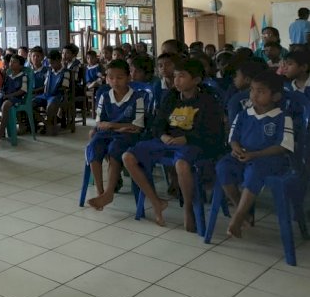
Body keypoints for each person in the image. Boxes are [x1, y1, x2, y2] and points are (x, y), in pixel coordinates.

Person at [123, 59, 224, 231]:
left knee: (182, 165)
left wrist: (187, 139)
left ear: (196, 80)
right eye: (175, 76)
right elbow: (158, 122)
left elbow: (213, 132)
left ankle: (188, 208)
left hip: (192, 143)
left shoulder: (208, 101)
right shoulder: (171, 96)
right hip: (167, 141)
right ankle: (155, 201)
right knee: (128, 156)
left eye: (182, 76)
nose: (176, 80)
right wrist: (162, 135)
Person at [216, 71, 293, 238]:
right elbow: (233, 137)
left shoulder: (282, 117)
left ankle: (237, 219)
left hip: (270, 158)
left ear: (275, 96)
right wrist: (236, 147)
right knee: (223, 166)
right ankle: (242, 210)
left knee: (255, 171)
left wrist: (255, 154)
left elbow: (283, 147)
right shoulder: (244, 114)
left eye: (261, 91)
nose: (254, 95)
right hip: (244, 155)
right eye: (252, 90)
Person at [86, 60, 147, 211]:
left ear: (128, 78)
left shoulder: (137, 97)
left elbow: (137, 126)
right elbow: (100, 122)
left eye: (119, 77)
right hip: (107, 133)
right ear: (106, 78)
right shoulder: (105, 96)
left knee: (115, 149)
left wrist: (113, 125)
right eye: (110, 77)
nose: (115, 81)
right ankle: (100, 192)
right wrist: (120, 127)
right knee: (93, 146)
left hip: (126, 137)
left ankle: (109, 193)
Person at [0, 55, 28, 139]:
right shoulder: (8, 75)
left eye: (14, 62)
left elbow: (22, 91)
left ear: (21, 66)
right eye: (11, 61)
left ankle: (1, 132)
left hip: (16, 98)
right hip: (5, 97)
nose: (11, 63)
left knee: (5, 105)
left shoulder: (23, 76)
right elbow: (3, 87)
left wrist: (9, 95)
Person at [33, 50, 67, 136]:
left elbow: (65, 88)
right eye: (49, 63)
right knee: (30, 104)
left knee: (50, 106)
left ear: (59, 60)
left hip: (58, 95)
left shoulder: (66, 72)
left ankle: (48, 126)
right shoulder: (49, 71)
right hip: (46, 95)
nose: (50, 65)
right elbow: (46, 86)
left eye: (52, 63)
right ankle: (47, 124)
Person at [227, 59, 269, 125]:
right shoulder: (269, 95)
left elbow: (233, 123)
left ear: (247, 80)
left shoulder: (237, 99)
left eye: (237, 75)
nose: (234, 78)